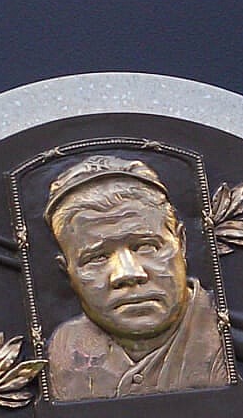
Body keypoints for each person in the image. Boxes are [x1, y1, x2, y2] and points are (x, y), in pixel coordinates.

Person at [42, 155, 233, 399]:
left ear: (181, 243)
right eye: (97, 258)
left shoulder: (228, 342)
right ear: (67, 272)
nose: (128, 273)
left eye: (146, 247)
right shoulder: (63, 349)